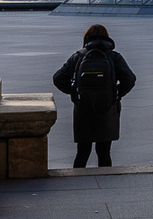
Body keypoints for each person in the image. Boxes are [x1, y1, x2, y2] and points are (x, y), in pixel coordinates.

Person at [51, 23, 137, 168]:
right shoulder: (114, 57)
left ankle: (77, 181)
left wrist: (75, 93)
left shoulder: (78, 56)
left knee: (83, 151)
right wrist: (116, 94)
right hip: (107, 108)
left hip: (83, 108)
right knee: (104, 151)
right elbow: (130, 79)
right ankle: (105, 183)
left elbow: (58, 78)